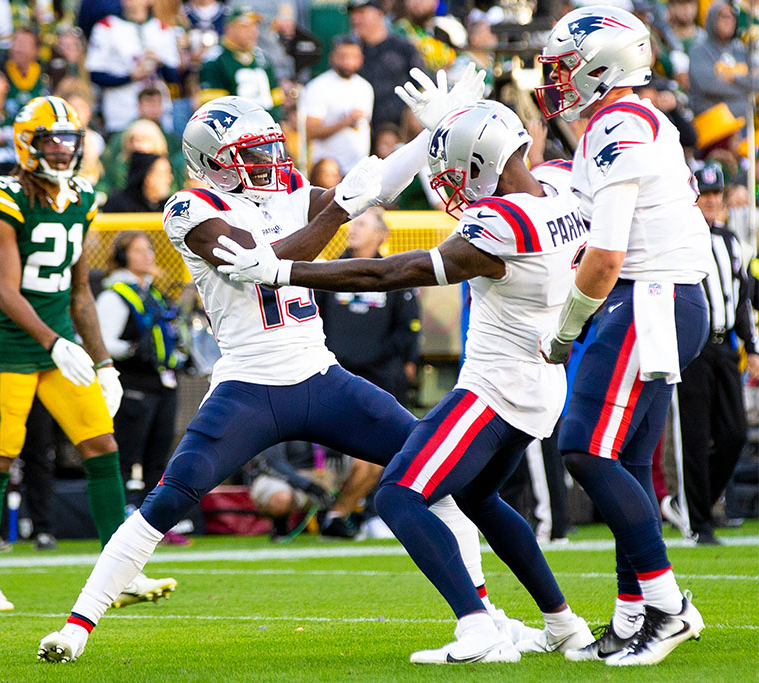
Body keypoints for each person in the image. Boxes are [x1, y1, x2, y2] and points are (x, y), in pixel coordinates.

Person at [36, 89, 536, 664]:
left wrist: (437, 131)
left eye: (270, 146)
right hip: (249, 386)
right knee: (171, 496)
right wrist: (338, 210)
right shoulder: (189, 209)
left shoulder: (289, 192)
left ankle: (482, 619)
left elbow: (374, 187)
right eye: (253, 151)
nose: (271, 160)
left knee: (433, 473)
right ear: (212, 162)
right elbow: (265, 264)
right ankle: (77, 625)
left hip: (321, 376)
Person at [215, 97, 596, 664]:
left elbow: (394, 270)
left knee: (398, 493)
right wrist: (452, 123)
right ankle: (565, 627)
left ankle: (479, 631)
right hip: (540, 378)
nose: (451, 186)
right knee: (479, 498)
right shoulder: (562, 187)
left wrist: (282, 270)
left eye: (457, 171)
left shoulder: (505, 222)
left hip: (497, 386)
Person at [537, 5, 710, 665]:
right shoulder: (621, 122)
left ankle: (668, 607)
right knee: (628, 460)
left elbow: (605, 255)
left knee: (582, 445)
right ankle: (632, 613)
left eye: (563, 65)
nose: (555, 78)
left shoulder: (616, 122)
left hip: (650, 296)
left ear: (599, 64)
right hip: (663, 298)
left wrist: (565, 330)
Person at [0, 95, 176, 612]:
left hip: (62, 346)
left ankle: (119, 571)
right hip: (12, 349)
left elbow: (80, 289)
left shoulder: (84, 196)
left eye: (70, 141)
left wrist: (101, 359)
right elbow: (6, 291)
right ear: (27, 143)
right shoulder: (2, 195)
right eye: (52, 140)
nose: (63, 151)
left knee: (102, 447)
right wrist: (55, 342)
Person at [313, 208, 420, 538]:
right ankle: (335, 511)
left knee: (384, 453)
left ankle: (370, 512)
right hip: (335, 379)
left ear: (381, 235)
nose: (353, 229)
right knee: (343, 456)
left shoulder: (395, 274)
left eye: (362, 224)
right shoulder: (329, 271)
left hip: (381, 379)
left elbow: (408, 330)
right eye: (352, 223)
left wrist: (394, 360)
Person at [676, 163, 759, 545]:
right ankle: (699, 521)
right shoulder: (680, 239)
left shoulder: (730, 242)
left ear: (723, 200)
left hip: (726, 347)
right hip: (694, 349)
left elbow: (741, 301)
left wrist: (752, 348)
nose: (710, 201)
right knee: (695, 436)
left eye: (715, 195)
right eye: (704, 194)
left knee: (734, 434)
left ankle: (701, 502)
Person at [95, 231, 180, 504]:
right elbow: (100, 341)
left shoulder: (152, 292)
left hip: (162, 385)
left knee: (158, 459)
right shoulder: (114, 295)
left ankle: (154, 521)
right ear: (122, 256)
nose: (148, 255)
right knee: (126, 456)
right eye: (138, 250)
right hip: (133, 385)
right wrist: (131, 349)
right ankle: (119, 517)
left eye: (149, 249)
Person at [85, 0, 180, 134]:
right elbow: (94, 74)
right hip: (121, 111)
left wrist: (159, 62)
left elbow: (173, 77)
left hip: (157, 113)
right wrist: (130, 76)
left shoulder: (162, 29)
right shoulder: (107, 27)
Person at [348, 0, 425, 131]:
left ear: (379, 14)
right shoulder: (351, 53)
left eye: (361, 12)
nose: (355, 19)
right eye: (353, 14)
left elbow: (423, 86)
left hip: (399, 133)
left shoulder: (403, 48)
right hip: (362, 132)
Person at [302, 35, 373, 175]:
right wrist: (345, 122)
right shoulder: (318, 86)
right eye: (343, 56)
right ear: (333, 57)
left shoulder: (365, 87)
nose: (348, 62)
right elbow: (309, 131)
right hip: (328, 171)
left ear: (361, 59)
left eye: (354, 56)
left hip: (358, 170)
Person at [198, 5, 283, 117]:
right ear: (229, 28)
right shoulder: (215, 61)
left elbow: (276, 99)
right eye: (246, 26)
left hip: (268, 127)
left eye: (255, 26)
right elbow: (215, 109)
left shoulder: (263, 57)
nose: (253, 32)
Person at [688, 0, 759, 119]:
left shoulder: (741, 49)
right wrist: (747, 87)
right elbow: (708, 85)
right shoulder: (698, 51)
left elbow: (757, 82)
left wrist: (731, 77)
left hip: (745, 122)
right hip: (714, 123)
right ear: (712, 18)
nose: (729, 21)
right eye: (724, 16)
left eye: (733, 17)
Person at [101, 151, 174, 212]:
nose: (170, 178)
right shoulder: (119, 205)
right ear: (147, 178)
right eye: (165, 173)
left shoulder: (169, 206)